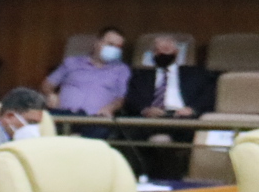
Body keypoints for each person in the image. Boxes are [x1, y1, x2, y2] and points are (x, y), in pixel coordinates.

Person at [124, 35, 217, 181]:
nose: (162, 53)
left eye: (167, 49)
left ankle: (170, 179)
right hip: (150, 119)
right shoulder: (141, 76)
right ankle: (139, 178)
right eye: (158, 50)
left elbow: (208, 97)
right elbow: (131, 99)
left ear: (176, 52)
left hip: (182, 118)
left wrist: (192, 109)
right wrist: (145, 110)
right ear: (153, 54)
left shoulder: (196, 74)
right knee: (127, 130)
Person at [42, 26, 129, 129]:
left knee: (100, 130)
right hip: (62, 114)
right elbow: (47, 84)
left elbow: (120, 98)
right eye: (110, 44)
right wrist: (51, 94)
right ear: (97, 43)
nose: (113, 49)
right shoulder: (72, 62)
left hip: (94, 119)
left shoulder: (121, 70)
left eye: (118, 47)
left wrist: (110, 108)